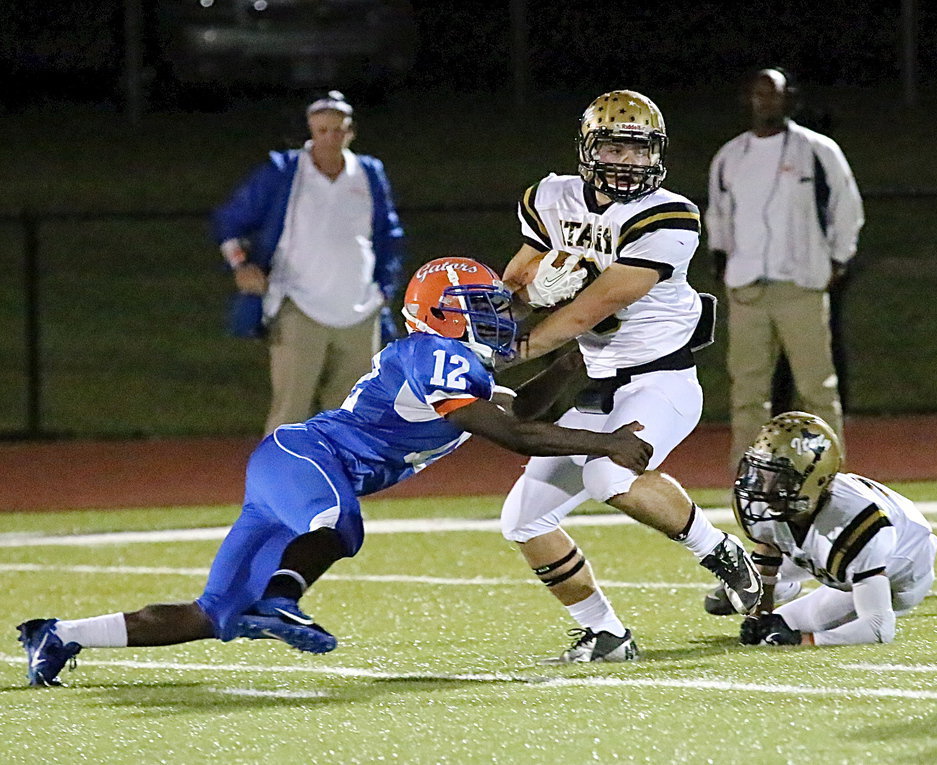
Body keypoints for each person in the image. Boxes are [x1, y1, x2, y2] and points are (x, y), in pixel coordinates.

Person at [16, 257, 655, 687]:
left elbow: (524, 412)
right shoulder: (431, 353)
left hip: (289, 477)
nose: (498, 314)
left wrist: (574, 362)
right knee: (340, 525)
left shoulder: (459, 369)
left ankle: (59, 635)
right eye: (479, 304)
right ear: (442, 313)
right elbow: (516, 437)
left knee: (212, 614)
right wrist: (606, 444)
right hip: (305, 460)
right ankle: (282, 600)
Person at [496, 89, 762, 664]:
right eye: (616, 147)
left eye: (641, 150)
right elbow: (515, 283)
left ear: (657, 154)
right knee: (522, 520)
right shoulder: (551, 197)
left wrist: (512, 351)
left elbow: (593, 308)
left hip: (658, 378)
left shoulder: (671, 215)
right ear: (588, 150)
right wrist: (497, 313)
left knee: (608, 478)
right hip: (592, 379)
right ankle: (606, 634)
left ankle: (722, 553)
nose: (629, 161)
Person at [212, 90, 405, 434]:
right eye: (322, 130)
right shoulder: (284, 170)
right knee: (291, 412)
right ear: (310, 131)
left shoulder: (369, 173)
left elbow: (388, 235)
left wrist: (383, 290)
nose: (331, 138)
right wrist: (241, 265)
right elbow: (230, 221)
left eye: (338, 130)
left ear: (351, 131)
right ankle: (282, 484)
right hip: (298, 306)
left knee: (352, 415)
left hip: (360, 310)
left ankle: (343, 484)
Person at [705, 67, 864, 473]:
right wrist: (721, 257)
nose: (766, 102)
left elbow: (846, 207)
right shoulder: (730, 156)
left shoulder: (816, 149)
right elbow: (719, 214)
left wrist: (838, 259)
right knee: (747, 391)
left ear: (789, 99)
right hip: (747, 288)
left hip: (801, 285)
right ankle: (748, 474)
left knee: (817, 388)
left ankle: (832, 473)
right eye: (759, 95)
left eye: (774, 95)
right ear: (748, 99)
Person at [707, 411, 937, 647]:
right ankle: (775, 588)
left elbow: (878, 627)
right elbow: (768, 547)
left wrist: (801, 640)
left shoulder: (857, 521)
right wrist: (758, 616)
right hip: (820, 544)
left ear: (813, 478)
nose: (763, 486)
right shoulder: (777, 501)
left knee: (783, 631)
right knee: (754, 607)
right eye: (761, 472)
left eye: (778, 477)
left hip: (898, 575)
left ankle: (777, 588)